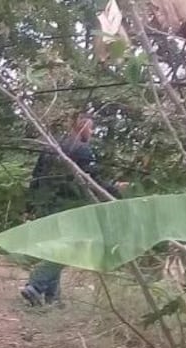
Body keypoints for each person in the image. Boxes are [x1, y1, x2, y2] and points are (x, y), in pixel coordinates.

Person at [21, 115, 124, 306]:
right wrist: (116, 190)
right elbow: (93, 180)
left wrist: (29, 206)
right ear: (83, 127)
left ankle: (52, 298)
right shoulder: (82, 150)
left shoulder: (52, 147)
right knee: (67, 251)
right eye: (91, 129)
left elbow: (35, 177)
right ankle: (35, 285)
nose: (92, 133)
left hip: (44, 205)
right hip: (67, 207)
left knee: (55, 248)